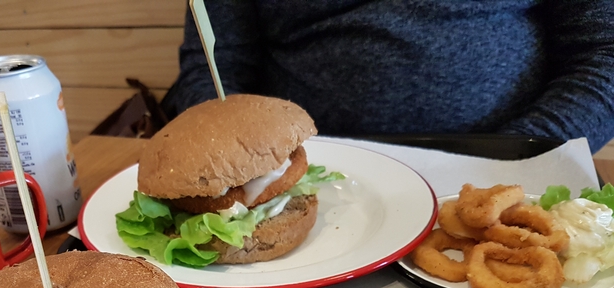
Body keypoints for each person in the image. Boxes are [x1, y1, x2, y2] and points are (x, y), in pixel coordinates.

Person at [162, 0, 614, 153]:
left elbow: (604, 54)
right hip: (308, 174)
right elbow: (213, 66)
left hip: (512, 164)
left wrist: (524, 151)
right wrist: (257, 166)